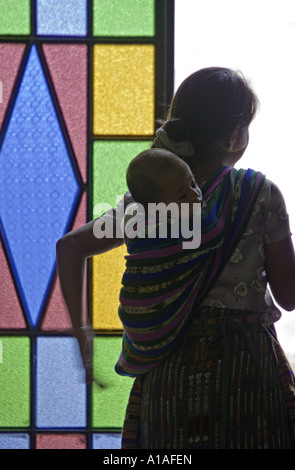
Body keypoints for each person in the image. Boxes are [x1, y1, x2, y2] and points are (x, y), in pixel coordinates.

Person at [56, 67, 295, 449]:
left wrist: (81, 331)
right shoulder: (260, 194)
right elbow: (289, 295)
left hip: (168, 378)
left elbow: (70, 247)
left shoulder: (146, 203)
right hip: (247, 375)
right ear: (233, 135)